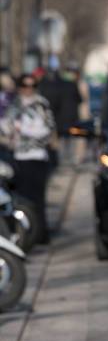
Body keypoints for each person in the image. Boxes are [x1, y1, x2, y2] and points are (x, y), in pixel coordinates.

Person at [0, 73, 58, 243]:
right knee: (24, 198)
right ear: (19, 88)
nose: (28, 89)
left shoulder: (41, 103)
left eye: (32, 86)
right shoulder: (13, 105)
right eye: (25, 86)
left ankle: (41, 234)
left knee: (38, 197)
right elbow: (7, 128)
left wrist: (24, 130)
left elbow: (47, 130)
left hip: (38, 157)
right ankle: (28, 235)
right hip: (19, 157)